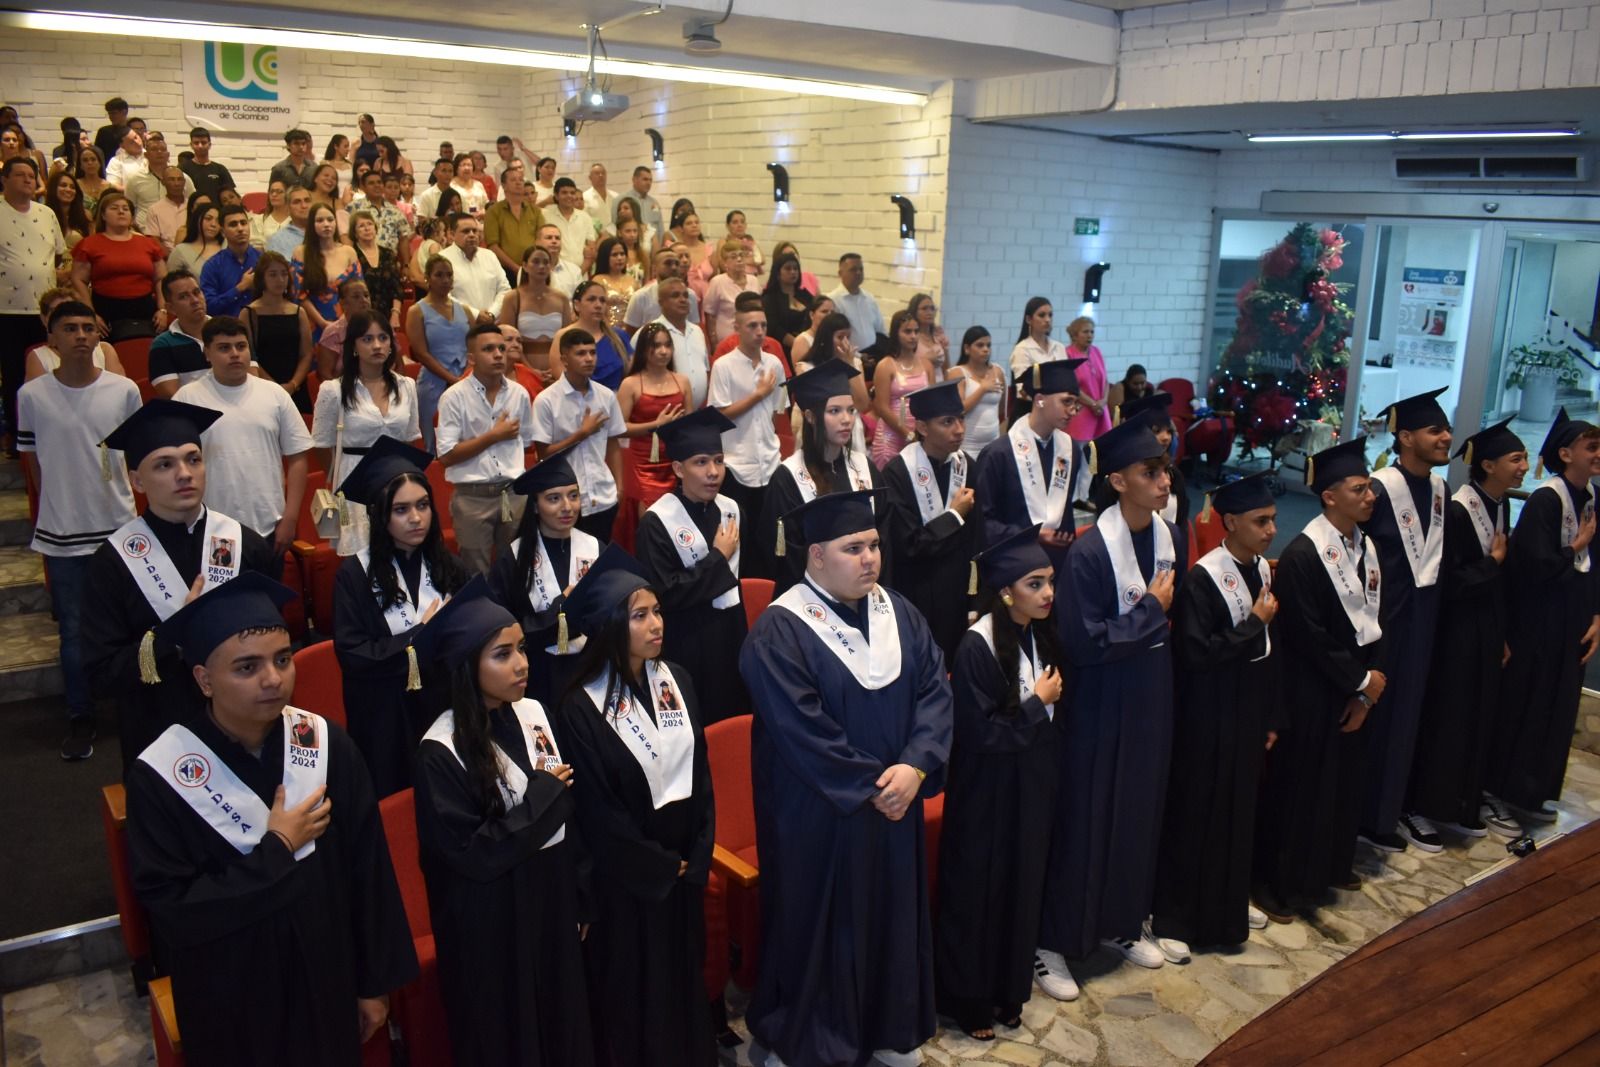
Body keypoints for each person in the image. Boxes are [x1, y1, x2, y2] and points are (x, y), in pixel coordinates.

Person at [125, 572, 419, 1067]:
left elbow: (368, 874)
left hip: (326, 979)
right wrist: (277, 850)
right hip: (233, 996)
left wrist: (372, 984)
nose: (273, 679)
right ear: (203, 679)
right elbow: (174, 908)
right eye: (247, 667)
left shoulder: (327, 746)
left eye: (283, 660)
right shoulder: (164, 776)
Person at [739, 489, 953, 1067]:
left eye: (875, 546)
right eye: (852, 548)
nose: (869, 560)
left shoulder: (898, 611)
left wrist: (915, 766)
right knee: (820, 925)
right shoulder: (779, 631)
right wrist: (880, 786)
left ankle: (886, 1025)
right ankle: (807, 1038)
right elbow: (801, 732)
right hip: (819, 814)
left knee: (890, 915)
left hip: (894, 802)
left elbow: (935, 687)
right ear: (815, 557)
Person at [407, 576, 593, 1066]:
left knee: (562, 1025)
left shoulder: (533, 712)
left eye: (522, 650)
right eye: (503, 654)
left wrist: (577, 895)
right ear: (468, 668)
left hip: (550, 904)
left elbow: (572, 815)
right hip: (491, 928)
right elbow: (474, 852)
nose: (522, 664)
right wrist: (545, 795)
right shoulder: (439, 751)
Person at [555, 545, 718, 1066]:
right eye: (640, 615)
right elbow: (598, 813)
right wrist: (661, 865)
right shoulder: (580, 708)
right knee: (635, 994)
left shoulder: (680, 680)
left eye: (657, 612)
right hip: (628, 885)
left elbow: (702, 773)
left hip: (683, 872)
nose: (656, 625)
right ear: (608, 627)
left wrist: (697, 849)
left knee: (683, 980)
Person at [1040, 415, 1183, 979]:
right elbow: (1083, 641)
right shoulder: (1090, 554)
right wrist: (1149, 610)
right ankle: (1055, 940)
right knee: (1088, 818)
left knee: (1136, 814)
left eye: (1166, 471)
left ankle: (1122, 922)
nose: (1164, 483)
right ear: (1119, 481)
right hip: (1101, 703)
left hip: (1150, 695)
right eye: (1151, 473)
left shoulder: (1169, 534)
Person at [82, 398, 276, 767]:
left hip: (250, 733)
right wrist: (173, 636)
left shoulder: (245, 545)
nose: (184, 473)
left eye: (193, 459)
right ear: (137, 480)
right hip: (159, 735)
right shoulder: (113, 564)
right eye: (165, 465)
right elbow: (102, 675)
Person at [935, 524, 1067, 1035]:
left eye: (1050, 581)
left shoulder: (1042, 633)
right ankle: (968, 1001)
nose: (1048, 593)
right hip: (986, 792)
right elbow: (979, 734)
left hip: (1030, 783)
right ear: (1007, 590)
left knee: (1021, 885)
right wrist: (1037, 705)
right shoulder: (977, 645)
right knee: (980, 893)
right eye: (1035, 583)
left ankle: (1009, 991)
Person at [1254, 437, 1385, 919]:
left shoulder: (1365, 545)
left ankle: (1326, 866)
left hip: (1350, 688)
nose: (1370, 496)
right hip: (1309, 690)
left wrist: (1368, 686)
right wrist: (1359, 681)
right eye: (1359, 489)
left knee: (1340, 785)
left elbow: (1374, 615)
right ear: (1329, 496)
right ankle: (1277, 883)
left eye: (1369, 487)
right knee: (1298, 790)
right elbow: (1307, 634)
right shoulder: (1305, 555)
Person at [1151, 471, 1279, 953]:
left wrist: (1270, 715)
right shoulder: (1203, 579)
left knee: (1239, 809)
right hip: (1209, 712)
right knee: (1198, 812)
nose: (1270, 531)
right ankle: (1176, 919)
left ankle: (1226, 900)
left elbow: (1271, 649)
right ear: (1230, 522)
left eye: (1272, 520)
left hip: (1247, 707)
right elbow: (1197, 653)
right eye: (1260, 521)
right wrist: (1253, 624)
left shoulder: (1263, 568)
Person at [18, 299, 142, 759]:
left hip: (118, 526)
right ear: (52, 339)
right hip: (63, 529)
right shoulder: (31, 396)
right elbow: (31, 461)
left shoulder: (124, 389)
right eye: (69, 328)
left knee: (131, 624)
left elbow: (135, 457)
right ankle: (80, 713)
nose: (81, 336)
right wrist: (56, 500)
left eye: (88, 327)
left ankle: (134, 702)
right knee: (72, 629)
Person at [330, 436, 467, 796]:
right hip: (387, 714)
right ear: (379, 514)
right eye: (401, 509)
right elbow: (352, 652)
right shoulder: (354, 575)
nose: (416, 518)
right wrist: (420, 636)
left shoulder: (447, 565)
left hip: (443, 701)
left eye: (423, 505)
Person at [1409, 419, 1526, 840]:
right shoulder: (1459, 510)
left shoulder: (1502, 504)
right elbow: (1451, 581)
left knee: (1479, 717)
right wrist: (1492, 564)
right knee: (1450, 718)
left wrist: (1502, 634)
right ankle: (1429, 802)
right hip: (1457, 631)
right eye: (1516, 459)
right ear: (1488, 465)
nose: (1525, 468)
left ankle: (1463, 799)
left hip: (1486, 628)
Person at [1489, 408, 1600, 824]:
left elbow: (1597, 562)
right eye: (1592, 447)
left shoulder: (1591, 498)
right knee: (1530, 705)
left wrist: (1596, 615)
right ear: (1566, 453)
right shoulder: (1546, 500)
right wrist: (1574, 547)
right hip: (1539, 621)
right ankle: (1508, 789)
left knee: (1560, 706)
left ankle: (1538, 791)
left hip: (1574, 619)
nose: (1599, 454)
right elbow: (1532, 565)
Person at [1356, 388, 1453, 854]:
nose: (1446, 437)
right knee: (1378, 716)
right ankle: (1365, 814)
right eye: (1436, 430)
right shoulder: (1378, 488)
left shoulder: (1440, 490)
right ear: (1406, 436)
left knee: (1411, 714)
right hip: (1384, 621)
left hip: (1424, 619)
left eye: (1446, 428)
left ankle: (1393, 807)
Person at [636, 407, 749, 722]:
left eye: (718, 460)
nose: (713, 471)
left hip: (730, 636)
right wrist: (717, 557)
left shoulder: (731, 509)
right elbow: (664, 594)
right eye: (701, 462)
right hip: (687, 643)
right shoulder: (657, 522)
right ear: (678, 468)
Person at [174, 316, 313, 556]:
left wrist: (290, 519)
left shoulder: (275, 394)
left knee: (268, 594)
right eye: (224, 348)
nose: (235, 354)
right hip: (212, 529)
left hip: (270, 526)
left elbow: (298, 458)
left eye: (241, 346)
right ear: (207, 353)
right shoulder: (187, 399)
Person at [491, 449, 598, 709]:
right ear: (536, 506)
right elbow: (504, 627)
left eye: (573, 496)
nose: (567, 507)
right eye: (554, 498)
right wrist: (560, 611)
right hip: (538, 674)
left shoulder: (595, 548)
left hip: (591, 670)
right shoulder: (514, 558)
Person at [881, 379, 979, 661]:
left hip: (959, 591)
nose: (959, 429)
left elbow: (976, 538)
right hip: (917, 591)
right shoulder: (898, 473)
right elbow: (908, 544)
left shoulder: (967, 466)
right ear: (923, 428)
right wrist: (954, 515)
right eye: (947, 422)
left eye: (960, 419)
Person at [759, 358, 876, 591]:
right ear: (810, 417)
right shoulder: (788, 478)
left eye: (850, 410)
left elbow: (883, 540)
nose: (846, 419)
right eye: (835, 411)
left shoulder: (864, 468)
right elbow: (785, 556)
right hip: (811, 601)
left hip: (864, 591)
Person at [313, 312, 421, 550]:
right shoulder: (333, 390)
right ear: (353, 346)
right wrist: (340, 476)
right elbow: (321, 444)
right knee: (361, 556)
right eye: (367, 339)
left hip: (397, 477)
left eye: (383, 338)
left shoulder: (407, 386)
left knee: (399, 550)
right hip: (353, 479)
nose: (377, 345)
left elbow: (411, 438)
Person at [437, 323, 537, 574]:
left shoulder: (519, 393)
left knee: (515, 570)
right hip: (472, 497)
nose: (498, 354)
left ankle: (513, 614)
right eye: (489, 349)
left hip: (512, 493)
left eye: (502, 348)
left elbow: (525, 444)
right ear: (471, 358)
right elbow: (446, 456)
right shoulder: (454, 396)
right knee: (475, 574)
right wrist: (493, 436)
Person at [973, 359, 1088, 565]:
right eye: (1066, 401)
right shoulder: (998, 454)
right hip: (1013, 562)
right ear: (1040, 400)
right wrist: (1031, 534)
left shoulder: (1071, 450)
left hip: (1059, 562)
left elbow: (1066, 513)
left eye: (1075, 403)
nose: (1072, 410)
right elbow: (983, 523)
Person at [530, 328, 627, 543]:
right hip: (565, 501)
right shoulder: (546, 400)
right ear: (564, 359)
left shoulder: (606, 396)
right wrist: (582, 434)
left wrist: (619, 488)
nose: (589, 359)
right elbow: (543, 454)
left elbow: (613, 445)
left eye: (592, 353)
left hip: (603, 496)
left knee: (599, 561)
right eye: (581, 353)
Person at [1, 157, 65, 455]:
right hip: (8, 311)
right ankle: (19, 440)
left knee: (52, 372)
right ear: (4, 179)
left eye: (32, 175)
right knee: (15, 377)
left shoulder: (47, 213)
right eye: (21, 175)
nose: (28, 180)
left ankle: (51, 432)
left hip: (46, 311)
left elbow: (58, 257)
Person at [708, 297, 788, 532]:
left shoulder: (774, 363)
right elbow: (720, 416)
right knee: (740, 533)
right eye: (752, 326)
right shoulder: (724, 365)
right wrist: (758, 394)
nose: (760, 331)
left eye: (763, 325)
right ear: (737, 328)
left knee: (769, 532)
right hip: (736, 462)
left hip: (769, 459)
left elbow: (777, 412)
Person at [616, 322, 689, 517]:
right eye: (656, 346)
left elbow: (690, 423)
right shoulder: (630, 384)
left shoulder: (682, 381)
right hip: (642, 462)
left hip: (675, 459)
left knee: (676, 516)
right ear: (643, 350)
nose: (663, 351)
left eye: (667, 345)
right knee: (649, 517)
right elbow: (619, 428)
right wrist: (655, 425)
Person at [406, 255, 476, 452]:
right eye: (439, 275)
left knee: (466, 438)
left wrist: (465, 376)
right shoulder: (416, 311)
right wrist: (451, 379)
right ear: (427, 278)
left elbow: (474, 347)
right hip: (433, 383)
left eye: (449, 275)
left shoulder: (465, 310)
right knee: (433, 442)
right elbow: (421, 353)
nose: (445, 280)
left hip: (466, 379)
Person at [71, 191, 167, 334]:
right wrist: (90, 314)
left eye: (125, 208)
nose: (121, 212)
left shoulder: (148, 244)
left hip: (146, 312)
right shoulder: (89, 245)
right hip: (106, 312)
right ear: (103, 215)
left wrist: (163, 310)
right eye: (114, 208)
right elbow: (78, 280)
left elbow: (161, 278)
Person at [240, 250, 313, 412]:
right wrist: (274, 386)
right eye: (273, 275)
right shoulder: (249, 313)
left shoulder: (298, 311)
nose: (280, 280)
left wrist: (293, 384)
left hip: (296, 386)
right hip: (262, 386)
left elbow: (306, 354)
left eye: (283, 274)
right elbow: (249, 357)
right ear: (262, 279)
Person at [871, 309, 937, 470]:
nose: (913, 336)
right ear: (895, 334)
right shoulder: (885, 365)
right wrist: (908, 434)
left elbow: (934, 402)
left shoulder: (927, 365)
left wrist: (924, 435)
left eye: (916, 331)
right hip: (890, 436)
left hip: (919, 434)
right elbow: (881, 407)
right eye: (907, 331)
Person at [497, 244, 572, 382]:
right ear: (524, 266)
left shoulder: (561, 298)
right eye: (536, 262)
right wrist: (529, 370)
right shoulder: (513, 298)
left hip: (557, 371)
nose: (542, 266)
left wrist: (557, 369)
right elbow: (507, 339)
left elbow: (567, 340)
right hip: (520, 370)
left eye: (546, 262)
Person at [293, 203, 362, 342]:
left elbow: (359, 292)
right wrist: (322, 323)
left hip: (347, 322)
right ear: (311, 225)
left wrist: (343, 322)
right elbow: (299, 295)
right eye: (320, 221)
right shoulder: (301, 252)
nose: (326, 224)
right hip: (314, 323)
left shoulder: (349, 252)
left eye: (330, 220)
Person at [22, 287, 125, 381]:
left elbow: (120, 392)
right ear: (44, 319)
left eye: (71, 310)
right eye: (57, 311)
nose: (65, 317)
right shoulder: (38, 356)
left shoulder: (105, 350)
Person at [147, 269, 211, 398]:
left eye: (197, 292)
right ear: (170, 308)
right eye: (183, 297)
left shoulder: (229, 331)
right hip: (194, 414)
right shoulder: (162, 345)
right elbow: (173, 397)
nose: (195, 300)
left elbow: (251, 378)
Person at [649, 276, 709, 411]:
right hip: (662, 414)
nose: (683, 300)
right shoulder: (650, 332)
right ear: (661, 302)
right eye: (675, 296)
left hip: (697, 413)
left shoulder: (697, 331)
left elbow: (706, 369)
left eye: (685, 295)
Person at [948, 326, 1006, 460]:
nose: (986, 349)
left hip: (993, 442)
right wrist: (982, 389)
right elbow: (958, 410)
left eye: (988, 345)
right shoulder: (957, 373)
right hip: (966, 445)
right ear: (967, 349)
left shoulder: (998, 371)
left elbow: (1002, 410)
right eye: (980, 345)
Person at [566, 279, 632, 392]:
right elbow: (564, 383)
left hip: (617, 401)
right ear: (577, 305)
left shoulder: (619, 336)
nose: (598, 305)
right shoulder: (565, 336)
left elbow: (633, 376)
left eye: (602, 301)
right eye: (591, 299)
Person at [199, 203, 260, 319]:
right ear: (222, 232)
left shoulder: (262, 260)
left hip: (262, 326)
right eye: (233, 225)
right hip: (227, 330)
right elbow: (208, 306)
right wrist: (240, 288)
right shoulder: (212, 266)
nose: (240, 229)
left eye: (243, 223)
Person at [443, 212, 510, 317]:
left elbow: (504, 289)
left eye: (474, 231)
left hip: (492, 322)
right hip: (459, 324)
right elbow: (444, 296)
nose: (472, 235)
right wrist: (476, 315)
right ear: (452, 234)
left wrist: (492, 314)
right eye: (465, 231)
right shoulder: (443, 259)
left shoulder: (489, 256)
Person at [483, 172, 544, 282]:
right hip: (504, 270)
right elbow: (493, 246)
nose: (518, 183)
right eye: (513, 180)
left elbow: (541, 239)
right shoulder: (494, 211)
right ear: (504, 185)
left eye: (521, 180)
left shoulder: (535, 211)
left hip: (532, 269)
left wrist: (531, 264)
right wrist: (516, 268)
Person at [1008, 298, 1066, 409]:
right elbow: (1023, 392)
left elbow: (1066, 382)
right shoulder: (1022, 349)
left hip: (1056, 411)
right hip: (1030, 411)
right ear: (1029, 319)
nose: (1047, 319)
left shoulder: (1059, 347)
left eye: (1050, 315)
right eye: (1042, 315)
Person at [702, 239, 761, 348]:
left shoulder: (754, 280)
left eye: (741, 255)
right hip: (726, 341)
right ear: (725, 263)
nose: (739, 259)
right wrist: (714, 343)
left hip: (752, 339)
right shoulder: (717, 282)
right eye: (733, 257)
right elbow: (710, 315)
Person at [1063, 316, 1112, 441]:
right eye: (1085, 332)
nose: (1090, 335)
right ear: (1074, 335)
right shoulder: (1068, 354)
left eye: (1092, 332)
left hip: (1101, 411)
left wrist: (1104, 401)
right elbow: (1071, 386)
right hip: (1081, 413)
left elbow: (1105, 381)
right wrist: (1093, 404)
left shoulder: (1096, 351)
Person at [827, 253, 886, 353]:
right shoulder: (832, 300)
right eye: (853, 269)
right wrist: (858, 357)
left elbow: (880, 330)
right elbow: (832, 337)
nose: (858, 273)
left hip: (874, 355)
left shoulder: (869, 298)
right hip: (847, 358)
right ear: (840, 273)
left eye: (861, 269)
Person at [760, 252, 812, 356]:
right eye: (788, 269)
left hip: (808, 347)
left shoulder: (806, 295)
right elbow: (774, 328)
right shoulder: (770, 298)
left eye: (795, 269)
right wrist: (798, 345)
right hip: (781, 350)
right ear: (778, 273)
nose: (793, 272)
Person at [351, 167, 411, 257]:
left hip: (389, 261)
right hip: (362, 260)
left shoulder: (395, 211)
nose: (377, 185)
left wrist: (406, 265)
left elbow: (404, 238)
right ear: (363, 187)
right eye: (371, 183)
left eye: (379, 182)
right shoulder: (354, 207)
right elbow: (347, 236)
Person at [589, 236, 638, 328]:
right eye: (614, 255)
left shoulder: (632, 280)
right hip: (606, 330)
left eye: (622, 254)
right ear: (605, 257)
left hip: (630, 330)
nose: (619, 258)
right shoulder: (598, 280)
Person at [165, 199, 221, 278]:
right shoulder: (181, 250)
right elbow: (172, 285)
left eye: (218, 221)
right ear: (196, 220)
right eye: (208, 219)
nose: (213, 224)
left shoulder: (228, 246)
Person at [180, 128, 235, 204]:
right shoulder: (183, 169)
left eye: (203, 142)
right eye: (196, 143)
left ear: (209, 145)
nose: (200, 146)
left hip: (217, 213)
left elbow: (230, 195)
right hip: (192, 213)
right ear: (191, 145)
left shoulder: (220, 169)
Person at [265, 185, 313, 260]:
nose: (304, 206)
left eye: (307, 200)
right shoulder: (277, 240)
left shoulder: (324, 233)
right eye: (297, 202)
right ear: (287, 208)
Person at [787, 295, 833, 367]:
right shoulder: (802, 340)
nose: (829, 315)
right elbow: (801, 372)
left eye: (832, 312)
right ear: (812, 315)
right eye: (824, 311)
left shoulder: (835, 337)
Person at [93, 97, 129, 166]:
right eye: (109, 114)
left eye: (114, 113)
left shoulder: (133, 131)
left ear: (124, 112)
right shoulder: (104, 132)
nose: (111, 116)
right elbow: (98, 155)